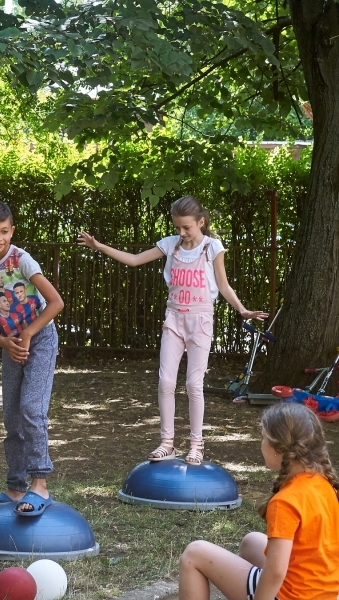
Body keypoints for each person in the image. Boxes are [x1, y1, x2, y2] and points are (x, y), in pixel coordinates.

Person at [77, 196, 267, 465]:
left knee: (193, 384)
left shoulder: (212, 247)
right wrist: (99, 246)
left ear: (201, 222)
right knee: (166, 381)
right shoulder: (170, 244)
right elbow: (133, 260)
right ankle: (167, 443)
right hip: (174, 319)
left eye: (187, 227)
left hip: (200, 320)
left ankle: (196, 444)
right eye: (178, 227)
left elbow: (223, 285)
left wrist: (242, 309)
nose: (182, 232)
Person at [178, 402, 339, 600]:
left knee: (194, 554)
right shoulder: (325, 484)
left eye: (263, 438)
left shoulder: (286, 501)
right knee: (251, 541)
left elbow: (276, 572)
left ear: (278, 449)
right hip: (325, 594)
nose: (261, 444)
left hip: (290, 596)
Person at [0, 201, 64, 516]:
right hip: (11, 345)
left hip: (40, 339)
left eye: (5, 231)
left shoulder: (23, 261)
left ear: (12, 230)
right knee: (11, 416)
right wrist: (5, 343)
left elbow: (55, 302)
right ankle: (15, 487)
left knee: (31, 409)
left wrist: (28, 334)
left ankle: (40, 485)